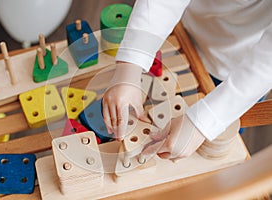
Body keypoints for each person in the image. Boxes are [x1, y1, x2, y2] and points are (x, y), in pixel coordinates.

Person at [102, 0, 272, 161]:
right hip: (189, 27)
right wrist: (130, 66)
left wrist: (204, 121)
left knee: (216, 141)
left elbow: (266, 65)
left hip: (238, 72)